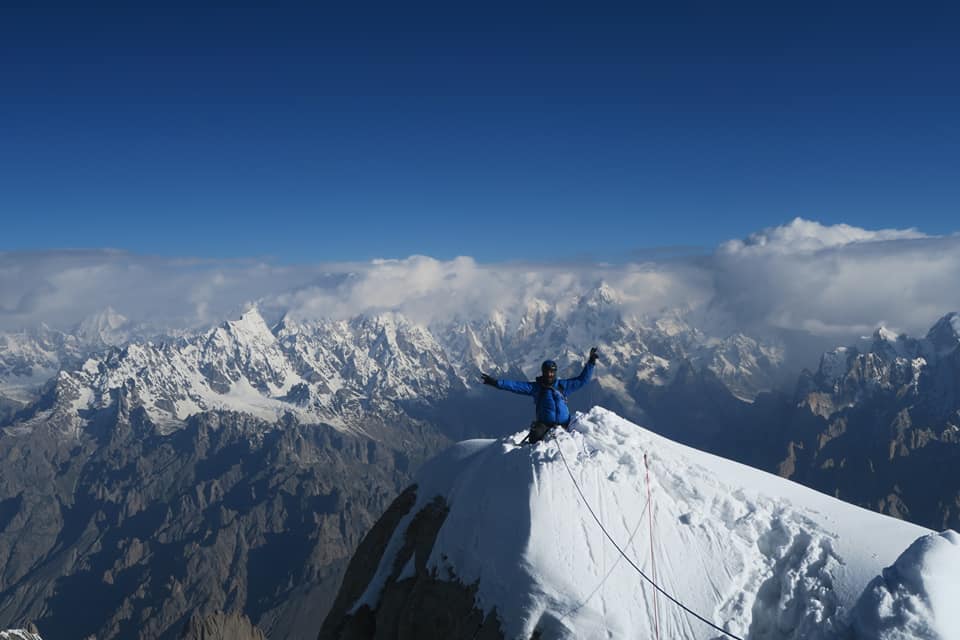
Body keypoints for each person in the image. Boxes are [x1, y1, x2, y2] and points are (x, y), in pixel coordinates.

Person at [481, 347, 599, 443]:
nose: (549, 374)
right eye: (547, 372)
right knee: (535, 436)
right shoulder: (536, 388)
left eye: (552, 372)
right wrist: (496, 383)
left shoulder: (563, 386)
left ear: (555, 372)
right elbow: (516, 386)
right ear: (543, 372)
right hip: (545, 425)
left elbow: (582, 380)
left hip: (566, 423)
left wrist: (591, 363)